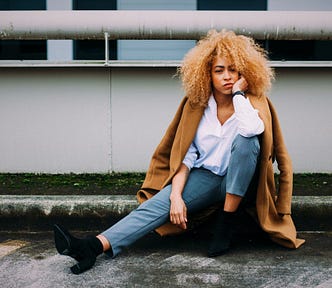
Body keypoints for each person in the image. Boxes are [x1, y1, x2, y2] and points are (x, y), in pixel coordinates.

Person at [54, 29, 305, 274]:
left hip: (246, 184)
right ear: (207, 74)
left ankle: (226, 222)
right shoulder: (196, 105)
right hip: (207, 177)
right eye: (219, 70)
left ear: (243, 73)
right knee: (156, 205)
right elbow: (187, 155)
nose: (227, 76)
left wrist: (239, 94)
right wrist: (175, 197)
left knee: (247, 141)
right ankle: (91, 247)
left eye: (233, 70)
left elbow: (254, 131)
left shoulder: (252, 102)